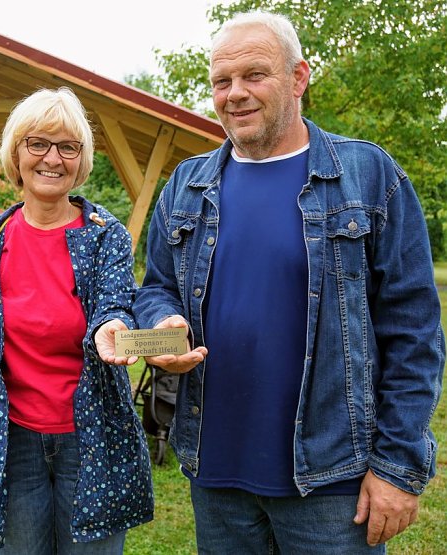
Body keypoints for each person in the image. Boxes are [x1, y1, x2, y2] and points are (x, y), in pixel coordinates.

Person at [132, 11, 444, 553]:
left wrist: (396, 467)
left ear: (299, 78)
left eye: (255, 75)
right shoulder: (186, 183)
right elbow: (157, 286)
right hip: (216, 473)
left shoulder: (368, 176)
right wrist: (160, 326)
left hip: (332, 478)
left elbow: (414, 333)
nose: (235, 94)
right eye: (222, 82)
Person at [0, 87, 153, 553]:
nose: (52, 158)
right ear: (15, 154)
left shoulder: (105, 237)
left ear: (82, 158)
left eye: (68, 147)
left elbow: (115, 303)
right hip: (12, 442)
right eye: (37, 143)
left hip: (93, 438)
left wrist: (113, 327)